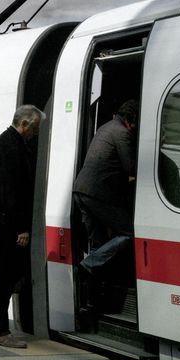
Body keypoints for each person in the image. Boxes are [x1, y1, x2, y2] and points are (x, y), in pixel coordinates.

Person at [0, 105, 44, 349]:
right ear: (24, 124)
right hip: (5, 219)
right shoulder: (10, 146)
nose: (35, 133)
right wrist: (21, 228)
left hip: (1, 216)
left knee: (5, 272)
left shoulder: (8, 142)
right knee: (5, 274)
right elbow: (12, 191)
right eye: (34, 128)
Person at [73, 99, 139, 280]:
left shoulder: (105, 127)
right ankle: (88, 265)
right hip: (97, 193)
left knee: (99, 242)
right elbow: (131, 167)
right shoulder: (122, 133)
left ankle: (93, 288)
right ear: (130, 119)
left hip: (81, 190)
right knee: (129, 232)